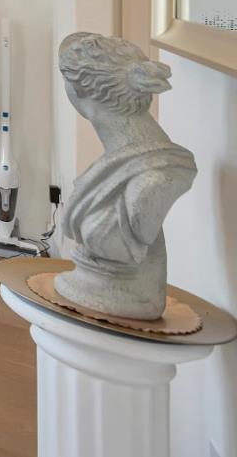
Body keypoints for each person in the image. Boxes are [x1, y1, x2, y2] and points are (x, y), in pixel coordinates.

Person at [54, 32, 196, 320]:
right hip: (93, 286)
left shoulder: (153, 178)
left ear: (79, 89)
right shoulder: (128, 164)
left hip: (129, 299)